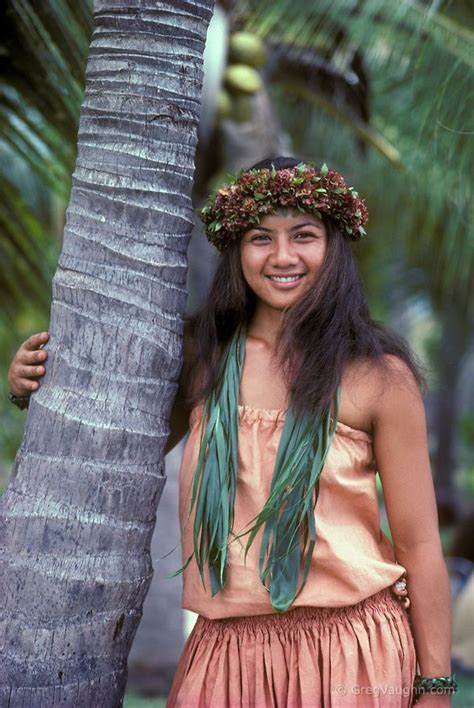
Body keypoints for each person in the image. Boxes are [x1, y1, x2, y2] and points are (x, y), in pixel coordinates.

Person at [8, 157, 456, 707]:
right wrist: (35, 386)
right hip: (227, 655)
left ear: (334, 246)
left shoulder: (377, 375)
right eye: (260, 237)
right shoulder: (202, 361)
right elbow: (109, 446)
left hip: (352, 651)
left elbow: (421, 544)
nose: (283, 256)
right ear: (236, 250)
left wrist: (435, 686)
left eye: (304, 235)